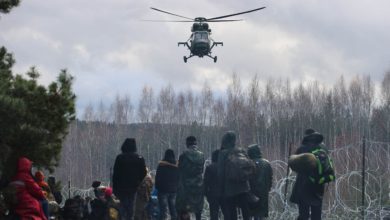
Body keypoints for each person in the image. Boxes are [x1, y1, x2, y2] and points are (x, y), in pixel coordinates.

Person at [290, 129, 327, 220]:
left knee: (303, 214)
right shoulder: (323, 149)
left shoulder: (302, 148)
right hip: (318, 185)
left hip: (304, 184)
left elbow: (293, 165)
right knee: (317, 214)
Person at [217, 131, 252, 220]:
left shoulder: (223, 153)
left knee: (232, 212)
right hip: (244, 187)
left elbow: (220, 172)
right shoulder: (242, 150)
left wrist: (220, 190)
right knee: (246, 211)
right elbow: (248, 167)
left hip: (230, 188)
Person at [113, 138, 146, 220]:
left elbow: (115, 174)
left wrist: (115, 186)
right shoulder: (139, 158)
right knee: (131, 206)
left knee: (122, 206)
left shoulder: (119, 158)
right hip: (133, 186)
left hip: (121, 187)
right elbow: (144, 172)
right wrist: (138, 181)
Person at [176, 136, 205, 220]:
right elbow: (201, 170)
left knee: (183, 210)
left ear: (187, 144)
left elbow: (179, 170)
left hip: (186, 187)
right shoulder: (202, 155)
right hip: (198, 186)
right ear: (195, 144)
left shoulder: (183, 155)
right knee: (198, 210)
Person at [247, 144, 273, 220]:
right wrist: (267, 189)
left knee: (249, 214)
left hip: (251, 193)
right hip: (263, 193)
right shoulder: (266, 163)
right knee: (260, 215)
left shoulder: (248, 163)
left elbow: (246, 178)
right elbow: (270, 178)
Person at [155, 149, 179, 220]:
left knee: (163, 211)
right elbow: (179, 178)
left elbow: (157, 178)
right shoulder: (177, 166)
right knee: (173, 210)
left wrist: (157, 187)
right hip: (173, 191)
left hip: (162, 190)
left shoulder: (161, 165)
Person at [204, 149, 221, 220]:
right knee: (227, 213)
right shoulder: (225, 166)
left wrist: (206, 194)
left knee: (214, 214)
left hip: (213, 194)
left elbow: (205, 182)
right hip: (224, 194)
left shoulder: (209, 168)